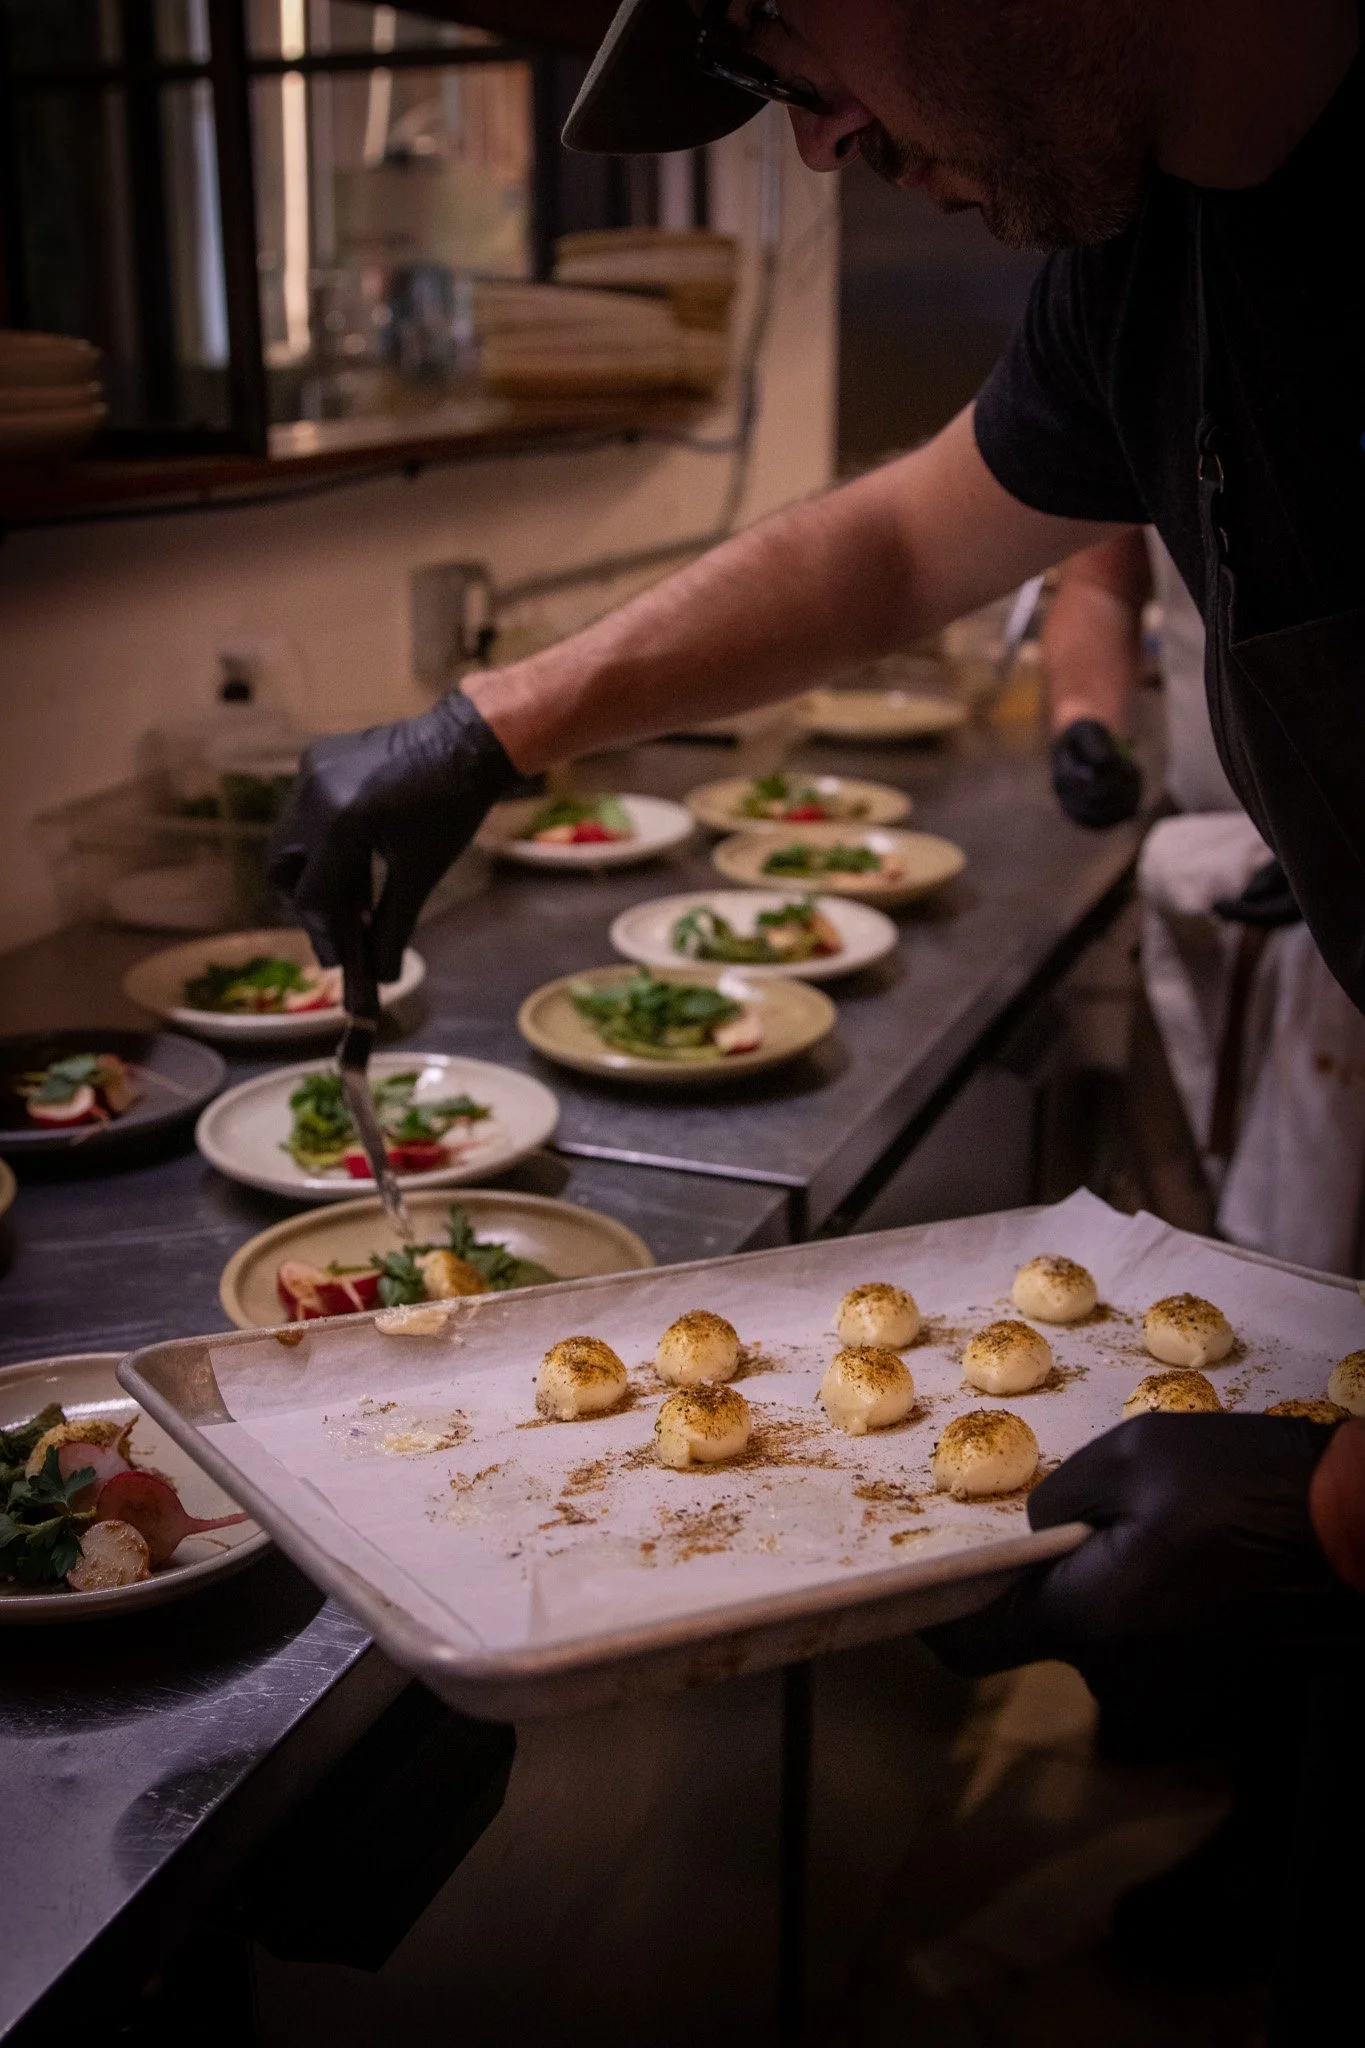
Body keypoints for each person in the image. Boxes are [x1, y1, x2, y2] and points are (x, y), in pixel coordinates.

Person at [270, 1, 1365, 1707]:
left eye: (787, 48)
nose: (816, 141)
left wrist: (1344, 1512)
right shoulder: (1161, 261)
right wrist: (493, 723)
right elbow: (893, 545)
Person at [1045, 530, 1365, 1275]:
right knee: (1177, 1239)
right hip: (1205, 897)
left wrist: (1346, 833)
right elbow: (1100, 584)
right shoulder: (1161, 409)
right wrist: (1084, 719)